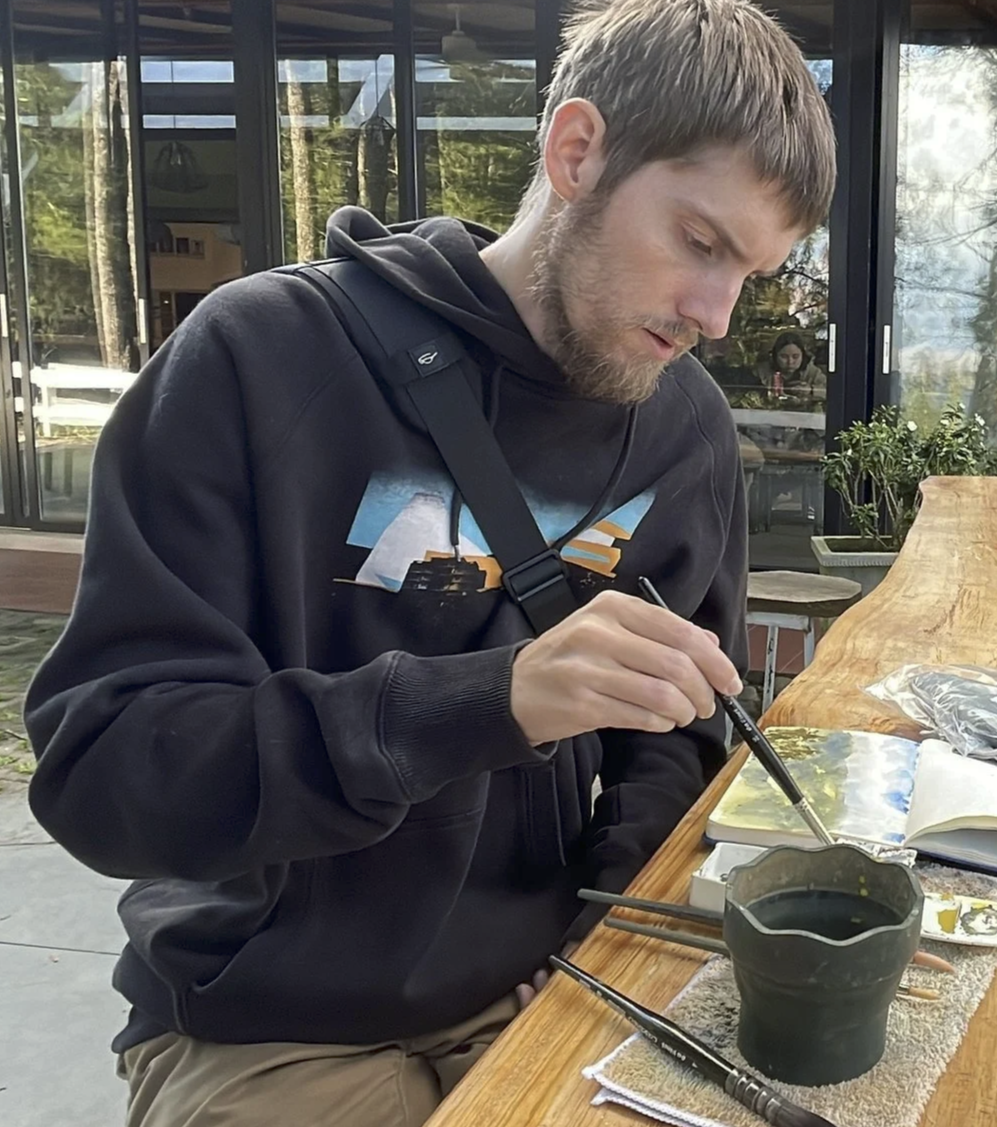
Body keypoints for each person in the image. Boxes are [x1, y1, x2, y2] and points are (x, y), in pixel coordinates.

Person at [23, 3, 836, 1125]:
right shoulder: (259, 357)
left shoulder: (683, 427)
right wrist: (486, 702)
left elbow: (681, 731)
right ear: (576, 152)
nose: (716, 314)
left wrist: (605, 923)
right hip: (269, 1024)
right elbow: (106, 773)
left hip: (548, 983)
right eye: (700, 242)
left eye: (751, 272)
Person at [766, 330, 826, 405]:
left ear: (803, 356)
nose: (790, 362)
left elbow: (831, 391)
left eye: (795, 357)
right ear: (775, 356)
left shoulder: (812, 372)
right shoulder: (763, 371)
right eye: (784, 356)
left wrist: (811, 390)